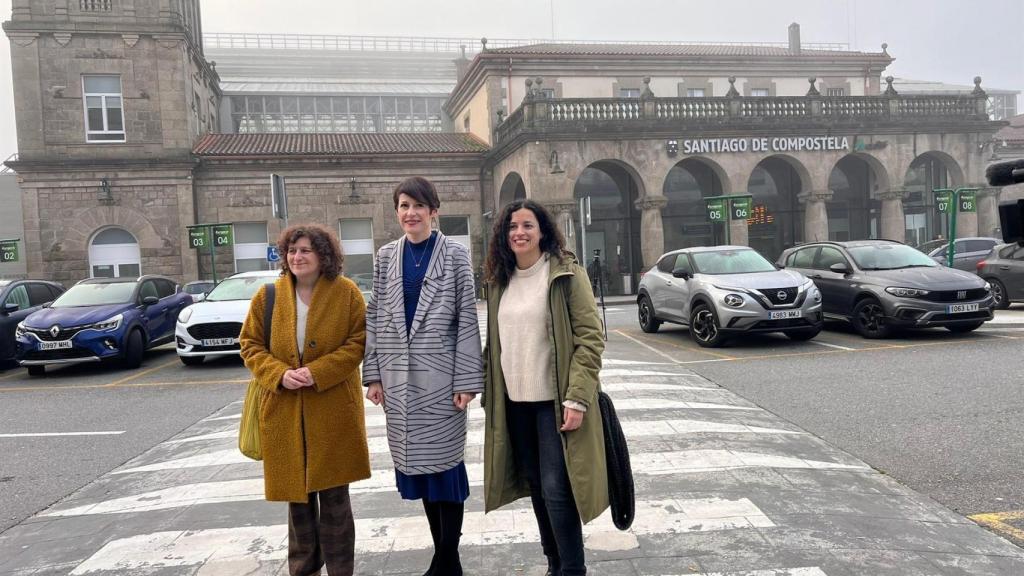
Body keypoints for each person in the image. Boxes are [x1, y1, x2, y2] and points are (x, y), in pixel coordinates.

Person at [363, 176, 483, 576]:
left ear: (434, 211)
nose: (410, 213)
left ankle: (447, 558)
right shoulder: (386, 256)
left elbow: (467, 316)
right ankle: (445, 557)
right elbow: (376, 315)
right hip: (398, 382)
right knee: (420, 473)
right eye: (402, 206)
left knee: (446, 471)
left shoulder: (454, 254)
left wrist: (467, 381)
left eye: (417, 206)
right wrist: (373, 375)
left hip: (443, 383)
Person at [482, 199, 608, 576]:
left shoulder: (566, 274)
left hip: (554, 402)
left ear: (542, 232)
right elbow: (495, 344)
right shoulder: (498, 281)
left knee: (557, 489)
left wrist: (577, 397)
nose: (518, 233)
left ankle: (572, 569)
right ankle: (553, 563)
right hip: (513, 403)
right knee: (536, 487)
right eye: (511, 227)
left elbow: (590, 339)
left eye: (527, 226)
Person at [239, 224, 370, 576]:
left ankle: (341, 570)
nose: (297, 257)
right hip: (284, 411)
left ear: (323, 256)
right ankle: (303, 569)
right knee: (297, 505)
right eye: (292, 250)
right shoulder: (268, 296)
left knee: (336, 502)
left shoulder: (347, 294)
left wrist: (319, 371)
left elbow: (358, 341)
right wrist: (279, 373)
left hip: (333, 412)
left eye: (305, 250)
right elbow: (249, 344)